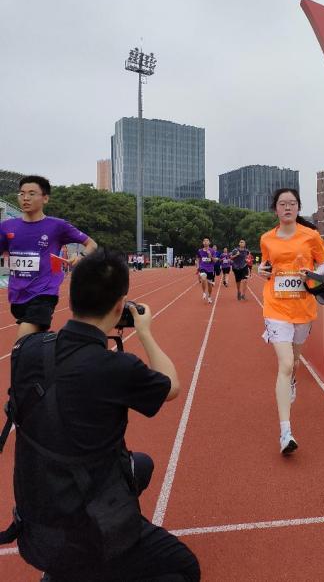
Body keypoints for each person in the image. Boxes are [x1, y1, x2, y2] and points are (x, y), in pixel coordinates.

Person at [0, 249, 200, 581]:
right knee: (183, 567)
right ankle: (98, 560)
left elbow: (33, 340)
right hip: (86, 535)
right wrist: (145, 332)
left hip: (35, 524)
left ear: (72, 298)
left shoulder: (27, 351)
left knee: (140, 467)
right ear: (120, 306)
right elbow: (172, 386)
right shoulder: (116, 367)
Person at [258, 188, 324, 454]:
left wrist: (312, 273)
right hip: (276, 307)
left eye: (292, 203)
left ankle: (292, 380)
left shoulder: (310, 236)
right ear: (275, 209)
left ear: (298, 207)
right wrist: (261, 270)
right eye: (282, 204)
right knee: (285, 363)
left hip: (303, 307)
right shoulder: (267, 238)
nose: (287, 207)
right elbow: (265, 266)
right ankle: (285, 433)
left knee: (294, 362)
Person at [0, 175, 97, 340]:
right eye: (22, 194)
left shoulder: (57, 226)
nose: (25, 198)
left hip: (44, 293)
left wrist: (81, 255)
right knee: (34, 341)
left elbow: (91, 244)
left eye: (32, 194)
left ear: (45, 198)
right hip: (17, 294)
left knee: (22, 341)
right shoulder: (6, 227)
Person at [196, 238, 216, 304]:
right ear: (203, 243)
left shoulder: (212, 251)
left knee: (209, 284)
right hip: (203, 267)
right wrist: (198, 266)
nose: (205, 242)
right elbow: (198, 259)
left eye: (207, 241)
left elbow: (214, 261)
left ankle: (209, 296)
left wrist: (210, 256)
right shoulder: (200, 251)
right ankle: (204, 292)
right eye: (204, 241)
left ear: (209, 243)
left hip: (210, 269)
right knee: (203, 277)